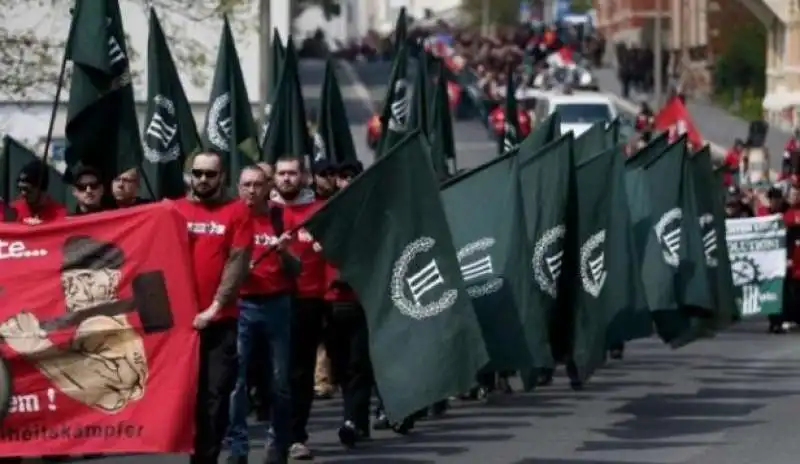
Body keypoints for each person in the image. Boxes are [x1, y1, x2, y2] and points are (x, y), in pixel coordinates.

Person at [173, 152, 254, 464]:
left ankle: (205, 459)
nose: (203, 179)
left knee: (215, 397)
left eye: (210, 174)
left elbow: (237, 265)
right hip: (180, 324)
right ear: (190, 175)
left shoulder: (237, 212)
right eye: (198, 173)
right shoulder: (174, 211)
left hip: (220, 322)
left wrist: (214, 308)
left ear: (222, 177)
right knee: (184, 398)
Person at [226, 166, 296, 464]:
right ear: (238, 187)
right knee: (236, 383)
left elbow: (296, 271)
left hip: (276, 305)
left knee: (279, 381)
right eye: (246, 185)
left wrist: (283, 252)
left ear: (268, 186)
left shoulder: (280, 217)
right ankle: (238, 447)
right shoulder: (231, 217)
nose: (252, 191)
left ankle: (277, 443)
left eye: (257, 184)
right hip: (240, 307)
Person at [270, 154, 327, 460]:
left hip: (307, 301)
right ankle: (272, 430)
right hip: (268, 300)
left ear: (303, 177)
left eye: (293, 173)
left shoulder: (318, 211)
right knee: (271, 371)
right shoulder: (263, 211)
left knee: (299, 372)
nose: (287, 179)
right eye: (282, 174)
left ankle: (295, 435)